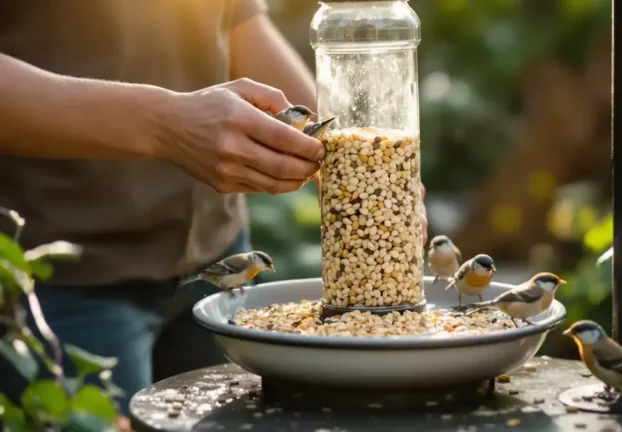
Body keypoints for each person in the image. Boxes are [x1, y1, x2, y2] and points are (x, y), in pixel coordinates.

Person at [0, 0, 429, 423]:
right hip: (70, 276)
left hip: (214, 262)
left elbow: (234, 22)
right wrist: (163, 124)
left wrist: (367, 170)